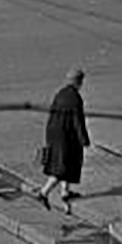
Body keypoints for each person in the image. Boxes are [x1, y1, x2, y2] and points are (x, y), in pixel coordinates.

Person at [36, 68, 91, 213]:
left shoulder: (60, 93)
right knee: (62, 168)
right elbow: (78, 121)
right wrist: (84, 140)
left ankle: (65, 192)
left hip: (54, 134)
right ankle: (43, 193)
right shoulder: (75, 98)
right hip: (66, 137)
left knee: (65, 162)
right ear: (79, 82)